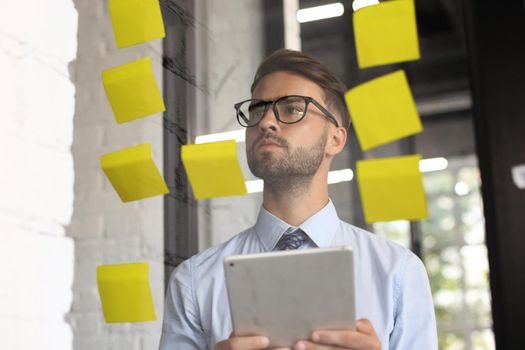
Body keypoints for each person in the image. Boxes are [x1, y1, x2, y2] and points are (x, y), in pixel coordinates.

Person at [159, 49, 437, 350]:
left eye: (292, 109)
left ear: (336, 139)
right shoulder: (194, 281)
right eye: (257, 110)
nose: (266, 122)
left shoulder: (398, 272)